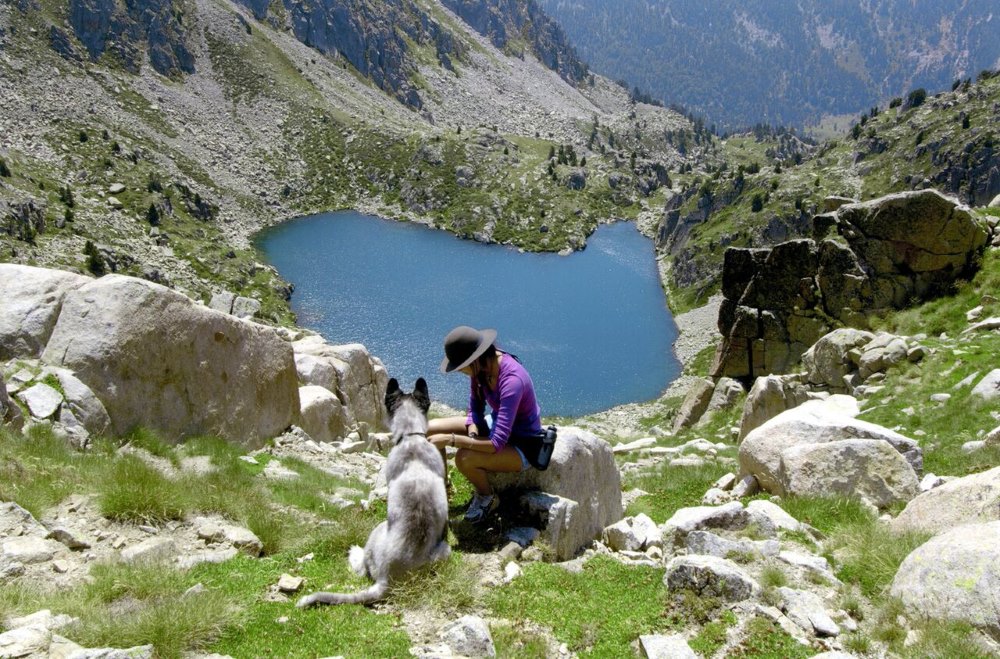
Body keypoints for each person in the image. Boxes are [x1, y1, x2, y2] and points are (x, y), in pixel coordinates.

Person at [427, 325, 542, 523]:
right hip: (496, 425)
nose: (460, 371)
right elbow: (475, 408)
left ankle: (487, 496)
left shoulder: (512, 380)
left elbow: (496, 443)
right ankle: (441, 490)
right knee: (429, 428)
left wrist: (452, 440)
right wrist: (473, 430)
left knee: (464, 458)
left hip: (522, 444)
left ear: (474, 359)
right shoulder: (481, 369)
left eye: (461, 366)